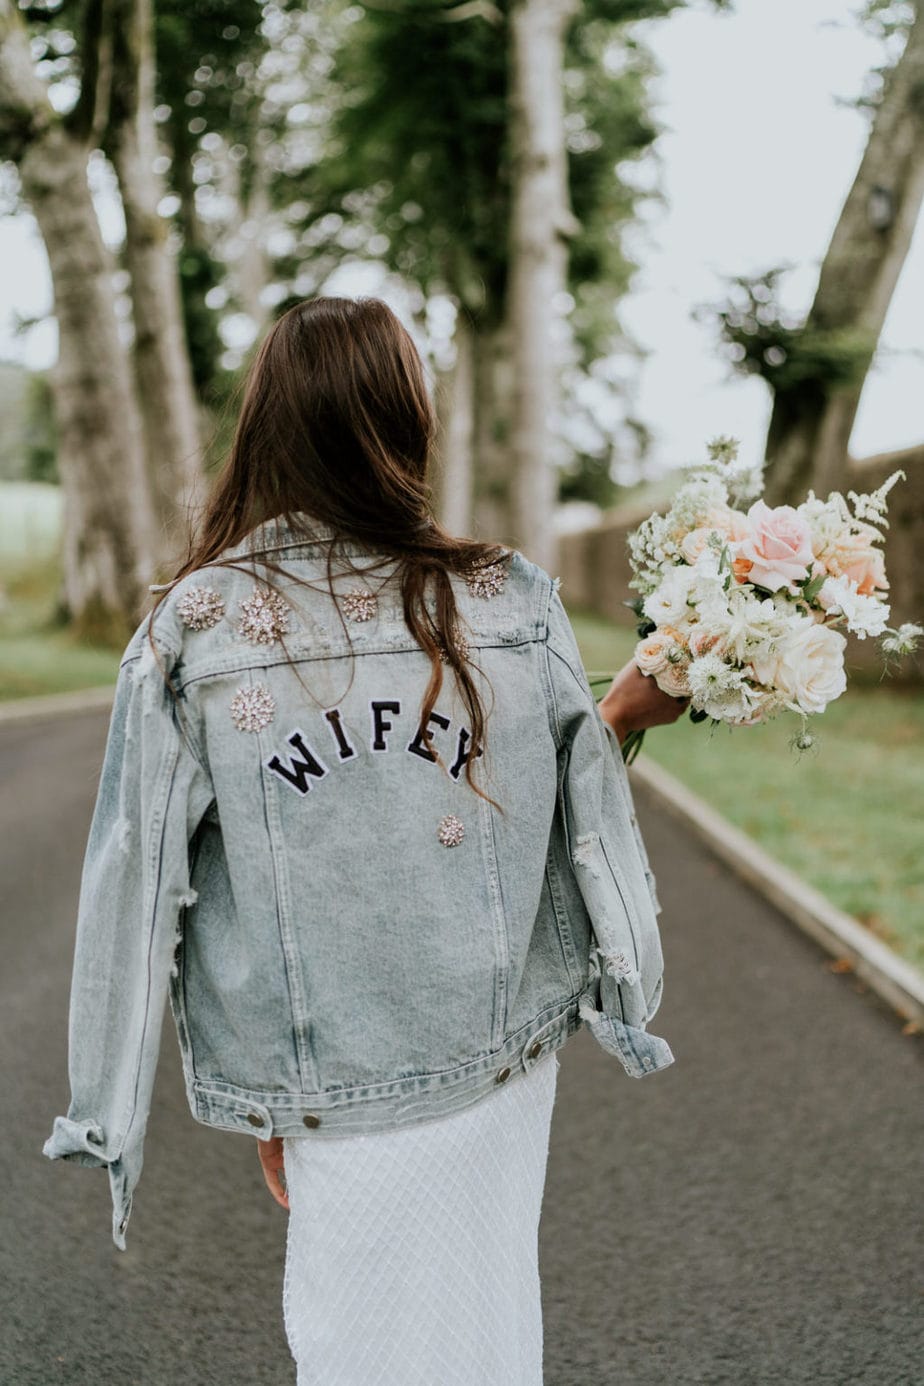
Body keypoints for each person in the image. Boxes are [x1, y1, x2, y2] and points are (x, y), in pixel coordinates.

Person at [43, 296, 687, 1385]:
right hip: (501, 1070)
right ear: (405, 420)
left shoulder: (197, 626)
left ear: (266, 425)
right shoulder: (501, 593)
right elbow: (562, 812)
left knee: (365, 1341)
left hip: (330, 1078)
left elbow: (133, 877)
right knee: (484, 1330)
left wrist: (124, 1107)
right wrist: (617, 727)